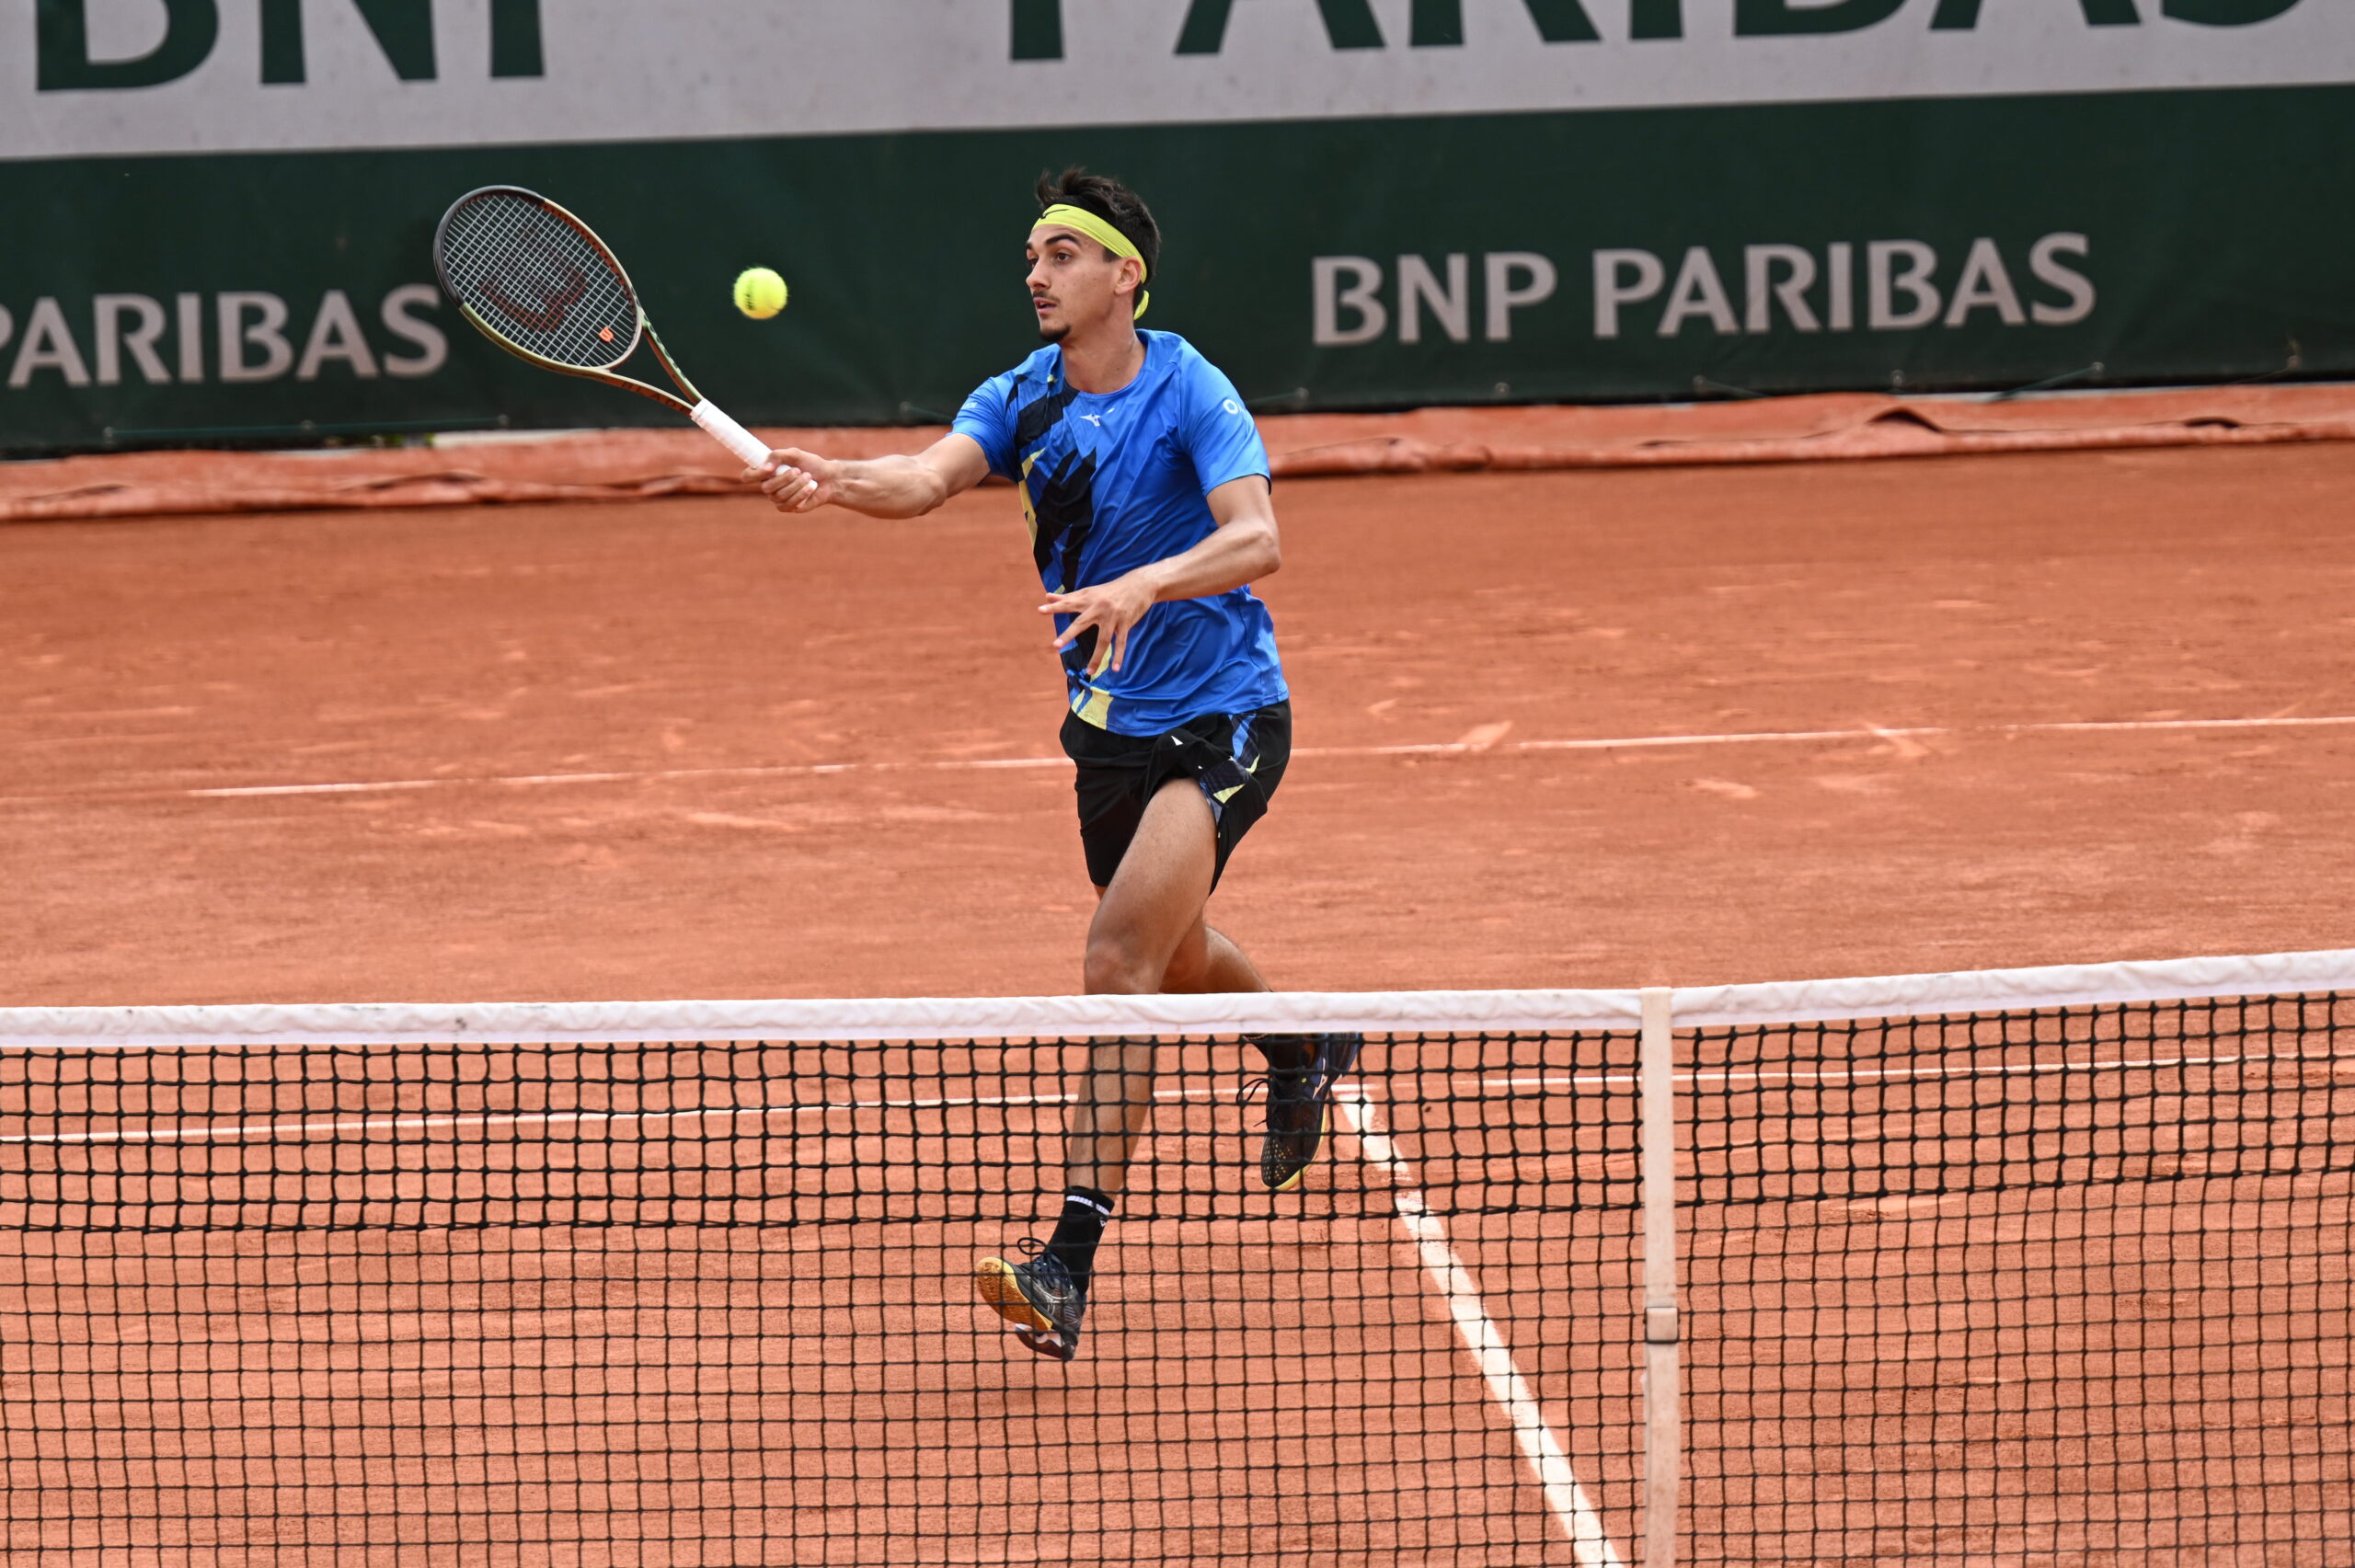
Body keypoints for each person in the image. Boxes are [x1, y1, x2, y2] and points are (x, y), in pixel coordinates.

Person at [750, 168, 1358, 1361]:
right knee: (1175, 952)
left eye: (1063, 253)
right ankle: (1302, 1045)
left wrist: (1144, 579)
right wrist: (826, 477)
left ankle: (1066, 1261)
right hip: (1108, 729)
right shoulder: (1022, 395)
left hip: (1227, 713)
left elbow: (1258, 536)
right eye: (1032, 254)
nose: (1036, 271)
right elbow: (922, 481)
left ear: (1125, 274)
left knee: (1120, 953)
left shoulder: (1192, 390)